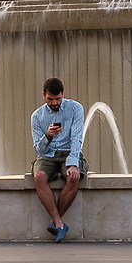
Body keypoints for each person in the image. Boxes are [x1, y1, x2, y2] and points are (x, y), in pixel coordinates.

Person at [30, 78, 86, 241]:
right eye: (50, 99)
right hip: (48, 154)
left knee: (73, 177)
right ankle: (59, 223)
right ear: (43, 95)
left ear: (63, 94)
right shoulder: (37, 116)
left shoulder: (76, 108)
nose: (54, 102)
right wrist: (47, 136)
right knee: (39, 176)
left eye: (58, 99)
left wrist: (74, 163)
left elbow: (77, 138)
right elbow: (38, 150)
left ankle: (56, 222)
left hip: (69, 152)